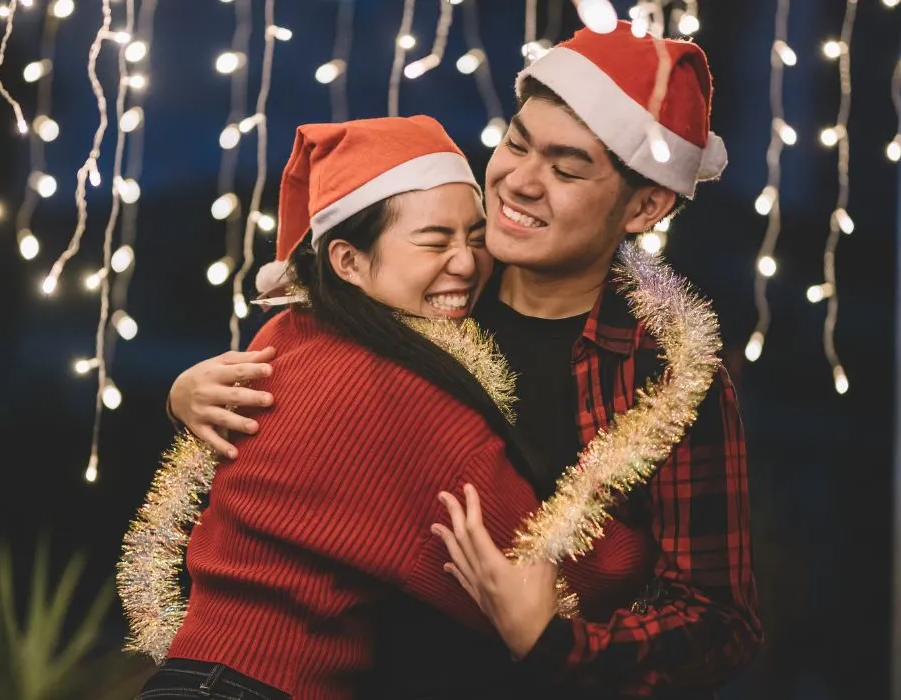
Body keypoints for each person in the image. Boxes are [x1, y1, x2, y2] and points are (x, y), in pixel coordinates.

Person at [168, 22, 762, 698]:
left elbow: (721, 625)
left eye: (566, 169)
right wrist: (190, 395)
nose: (520, 181)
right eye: (516, 143)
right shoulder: (421, 299)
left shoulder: (665, 381)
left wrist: (561, 643)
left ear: (647, 204)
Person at [134, 115, 655, 700]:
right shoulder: (399, 392)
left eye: (476, 237)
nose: (466, 262)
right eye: (435, 241)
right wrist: (651, 487)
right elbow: (585, 572)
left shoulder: (285, 334)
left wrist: (179, 397)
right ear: (348, 261)